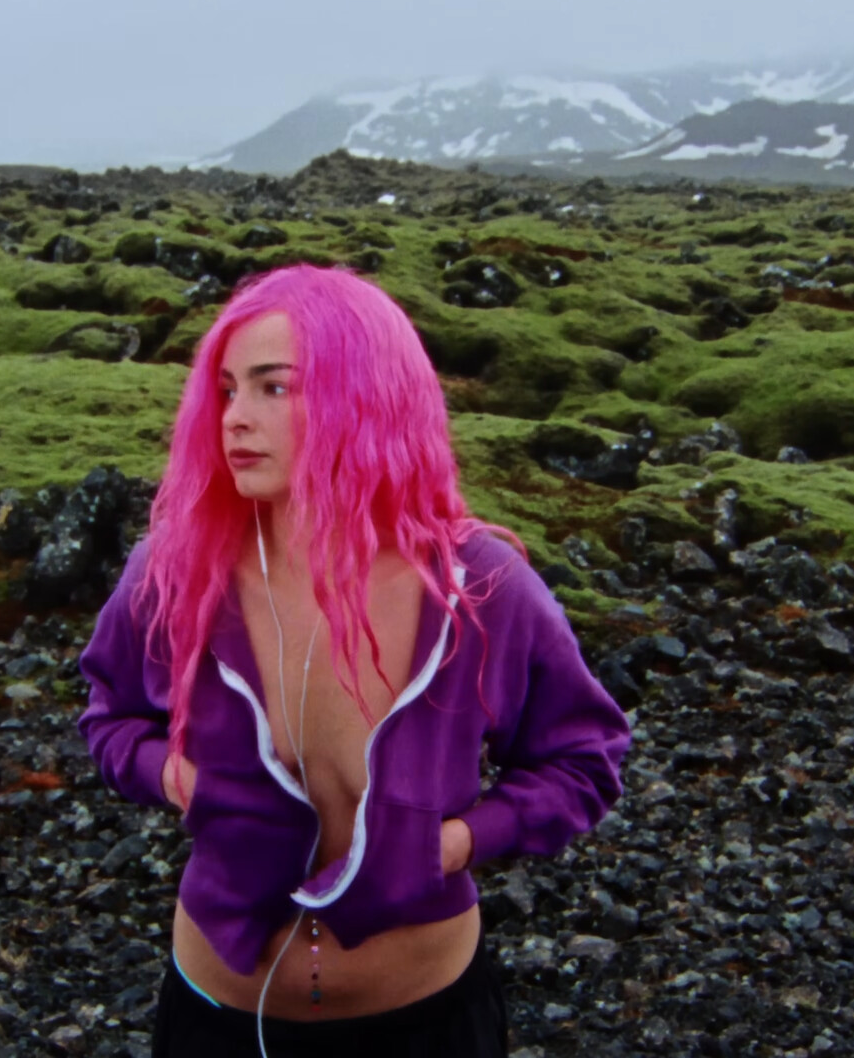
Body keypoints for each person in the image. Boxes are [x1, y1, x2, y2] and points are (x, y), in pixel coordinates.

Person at [77, 263, 631, 1056]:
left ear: (365, 395)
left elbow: (583, 757)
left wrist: (457, 843)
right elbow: (111, 715)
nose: (234, 418)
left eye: (275, 387)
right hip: (216, 1015)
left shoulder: (476, 589)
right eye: (227, 390)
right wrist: (175, 777)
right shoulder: (175, 572)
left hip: (425, 1021)